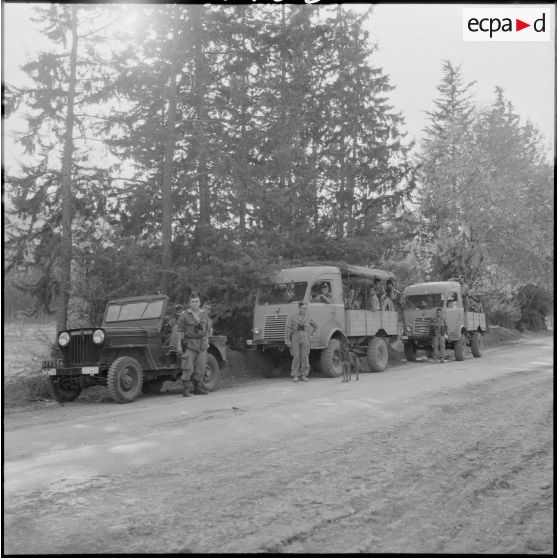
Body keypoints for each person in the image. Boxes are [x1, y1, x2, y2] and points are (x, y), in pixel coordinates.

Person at [176, 292, 212, 397]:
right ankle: (186, 389)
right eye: (192, 302)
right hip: (189, 344)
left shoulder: (204, 314)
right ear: (189, 303)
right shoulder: (185, 315)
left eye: (196, 301)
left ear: (199, 302)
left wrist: (207, 340)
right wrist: (178, 346)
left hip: (202, 345)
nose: (195, 303)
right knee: (188, 367)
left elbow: (208, 328)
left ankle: (198, 387)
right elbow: (180, 331)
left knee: (201, 367)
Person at [286, 302, 317, 382]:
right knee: (296, 356)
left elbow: (316, 326)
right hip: (295, 336)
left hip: (305, 336)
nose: (303, 309)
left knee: (305, 356)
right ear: (299, 308)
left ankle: (303, 374)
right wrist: (288, 340)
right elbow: (288, 328)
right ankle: (295, 375)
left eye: (305, 308)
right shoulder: (292, 316)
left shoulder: (308, 317)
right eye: (302, 308)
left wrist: (312, 335)